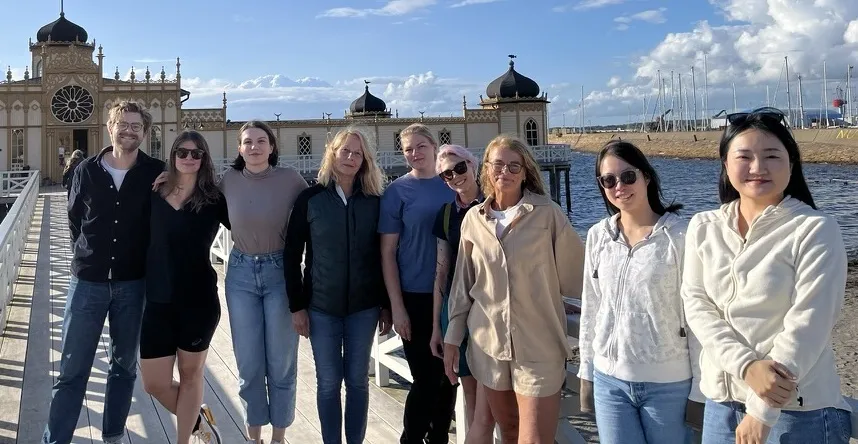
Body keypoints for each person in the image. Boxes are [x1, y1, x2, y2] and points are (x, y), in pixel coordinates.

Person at [681, 108, 852, 444]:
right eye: (744, 156)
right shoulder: (704, 227)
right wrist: (746, 366)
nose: (758, 168)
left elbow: (809, 324)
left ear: (792, 164)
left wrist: (762, 410)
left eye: (772, 156)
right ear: (725, 164)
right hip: (722, 402)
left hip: (797, 411)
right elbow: (696, 305)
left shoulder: (814, 229)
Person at [443, 134, 584, 444]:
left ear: (525, 171)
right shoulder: (473, 220)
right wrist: (452, 337)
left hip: (539, 344)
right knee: (507, 431)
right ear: (486, 169)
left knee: (534, 439)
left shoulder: (547, 214)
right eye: (497, 165)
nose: (504, 172)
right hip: (488, 344)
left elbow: (580, 274)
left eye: (513, 166)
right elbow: (463, 284)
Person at [44, 101, 165, 444]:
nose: (129, 130)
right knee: (71, 370)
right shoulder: (86, 170)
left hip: (133, 283)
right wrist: (87, 256)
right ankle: (56, 440)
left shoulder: (156, 171)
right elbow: (75, 220)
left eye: (136, 126)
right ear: (109, 127)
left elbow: (185, 202)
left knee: (123, 366)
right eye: (122, 124)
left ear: (145, 132)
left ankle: (112, 435)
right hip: (88, 283)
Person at [577, 140, 703, 444]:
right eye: (608, 180)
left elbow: (698, 315)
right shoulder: (598, 236)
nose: (619, 186)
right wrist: (586, 370)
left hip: (668, 383)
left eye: (628, 176)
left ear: (646, 176)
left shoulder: (680, 236)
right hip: (610, 382)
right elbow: (592, 307)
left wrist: (700, 388)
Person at [284, 126, 393, 444]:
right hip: (321, 307)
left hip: (364, 307)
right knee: (328, 382)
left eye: (357, 153)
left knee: (357, 381)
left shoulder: (375, 201)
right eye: (344, 150)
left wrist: (386, 304)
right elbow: (292, 255)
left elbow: (385, 255)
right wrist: (297, 306)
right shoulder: (311, 198)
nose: (350, 157)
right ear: (332, 153)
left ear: (365, 160)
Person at [220, 120, 308, 444]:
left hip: (279, 273)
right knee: (248, 362)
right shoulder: (228, 180)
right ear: (239, 149)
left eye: (261, 141)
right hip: (241, 272)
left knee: (282, 361)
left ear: (272, 146)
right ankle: (254, 436)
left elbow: (316, 213)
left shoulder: (291, 180)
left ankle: (278, 437)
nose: (254, 147)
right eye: (247, 142)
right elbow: (202, 207)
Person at [140, 130, 228, 444]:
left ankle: (184, 440)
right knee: (154, 383)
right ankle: (198, 418)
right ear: (173, 155)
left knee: (191, 375)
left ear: (204, 159)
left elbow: (252, 220)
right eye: (183, 152)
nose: (189, 158)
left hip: (199, 300)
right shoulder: (155, 192)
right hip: (158, 300)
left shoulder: (216, 199)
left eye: (196, 153)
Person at [378, 123, 456, 444]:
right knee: (424, 378)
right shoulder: (397, 191)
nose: (414, 154)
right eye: (407, 148)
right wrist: (397, 307)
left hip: (453, 297)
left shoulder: (454, 185)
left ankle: (438, 439)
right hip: (414, 295)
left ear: (435, 146)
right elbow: (387, 253)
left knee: (448, 377)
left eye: (420, 146)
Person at [429, 144, 495, 443]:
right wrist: (436, 326)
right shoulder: (446, 215)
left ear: (473, 165)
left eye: (459, 168)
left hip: (492, 306)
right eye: (446, 174)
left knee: (494, 388)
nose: (454, 177)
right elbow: (441, 274)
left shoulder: (497, 205)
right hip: (456, 308)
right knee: (469, 388)